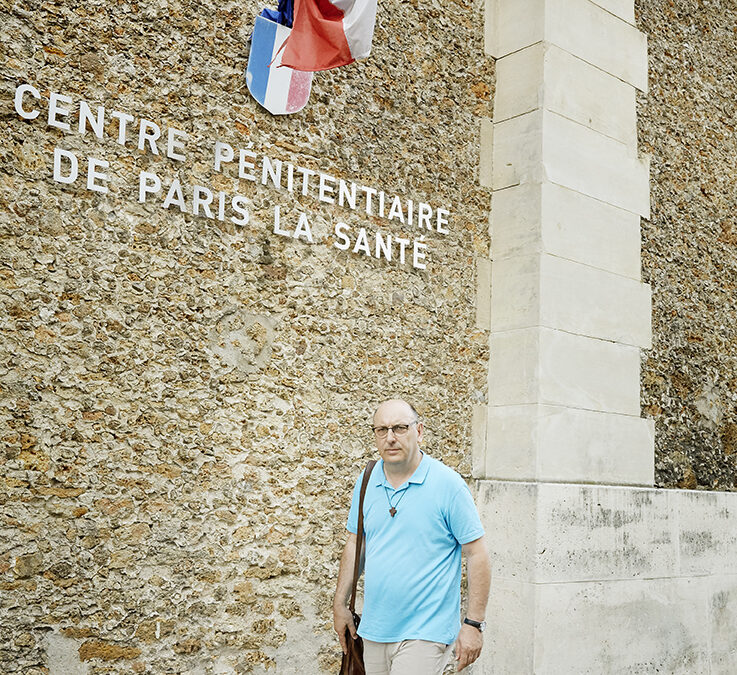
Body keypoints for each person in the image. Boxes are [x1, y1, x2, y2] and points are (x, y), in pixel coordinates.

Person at [333, 399, 491, 674]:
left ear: (419, 432)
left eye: (400, 428)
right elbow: (355, 544)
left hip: (426, 633)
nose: (390, 438)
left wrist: (473, 624)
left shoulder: (448, 485)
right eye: (382, 430)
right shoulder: (367, 480)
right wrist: (339, 604)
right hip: (374, 630)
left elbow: (477, 554)